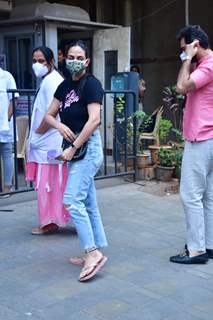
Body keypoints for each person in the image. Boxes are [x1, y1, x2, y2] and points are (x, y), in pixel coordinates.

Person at [45, 40, 108, 282]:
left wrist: (72, 147)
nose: (74, 61)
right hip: (75, 149)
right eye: (70, 56)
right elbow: (49, 115)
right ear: (65, 59)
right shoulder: (63, 86)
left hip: (87, 149)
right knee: (88, 202)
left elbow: (94, 121)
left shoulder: (91, 84)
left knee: (72, 200)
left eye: (79, 57)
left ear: (87, 61)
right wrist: (60, 125)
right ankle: (94, 247)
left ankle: (93, 254)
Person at [170, 25, 213, 264]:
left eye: (184, 48)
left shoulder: (208, 66)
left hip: (202, 137)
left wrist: (187, 59)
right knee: (208, 196)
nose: (182, 53)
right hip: (208, 137)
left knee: (190, 195)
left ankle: (196, 250)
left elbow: (181, 87)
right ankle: (209, 245)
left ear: (195, 44)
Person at [26, 46, 70, 234]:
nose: (37, 65)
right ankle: (51, 220)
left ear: (51, 62)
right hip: (46, 141)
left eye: (41, 61)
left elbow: (51, 112)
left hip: (48, 142)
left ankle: (49, 221)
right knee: (51, 185)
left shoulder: (53, 81)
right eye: (34, 61)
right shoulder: (49, 80)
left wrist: (37, 133)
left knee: (47, 185)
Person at [0, 67, 19, 194]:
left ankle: (7, 187)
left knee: (7, 153)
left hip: (4, 123)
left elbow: (14, 99)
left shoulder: (6, 76)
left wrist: (6, 119)